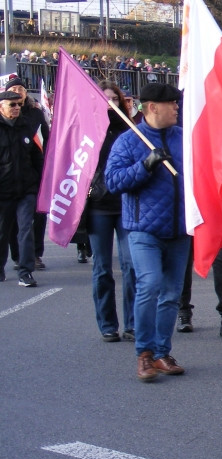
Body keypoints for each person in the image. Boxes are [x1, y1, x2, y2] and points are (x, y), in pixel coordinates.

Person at [105, 83, 191, 382]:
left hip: (179, 229)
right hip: (143, 229)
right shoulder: (129, 140)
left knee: (170, 294)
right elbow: (113, 182)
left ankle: (161, 352)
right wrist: (146, 165)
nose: (177, 107)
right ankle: (144, 353)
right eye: (171, 103)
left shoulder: (185, 138)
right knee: (150, 284)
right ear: (152, 107)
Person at [87, 82, 137, 341]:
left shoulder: (129, 131)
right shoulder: (88, 132)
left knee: (131, 265)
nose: (110, 104)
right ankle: (108, 324)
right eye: (104, 99)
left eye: (115, 99)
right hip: (98, 206)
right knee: (102, 267)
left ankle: (132, 323)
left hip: (125, 204)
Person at [0, 91, 44, 287]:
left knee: (26, 229)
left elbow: (37, 157)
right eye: (12, 105)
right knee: (3, 231)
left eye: (19, 104)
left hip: (27, 189)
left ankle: (26, 271)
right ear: (1, 106)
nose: (17, 107)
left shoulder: (27, 127)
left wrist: (40, 181)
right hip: (4, 191)